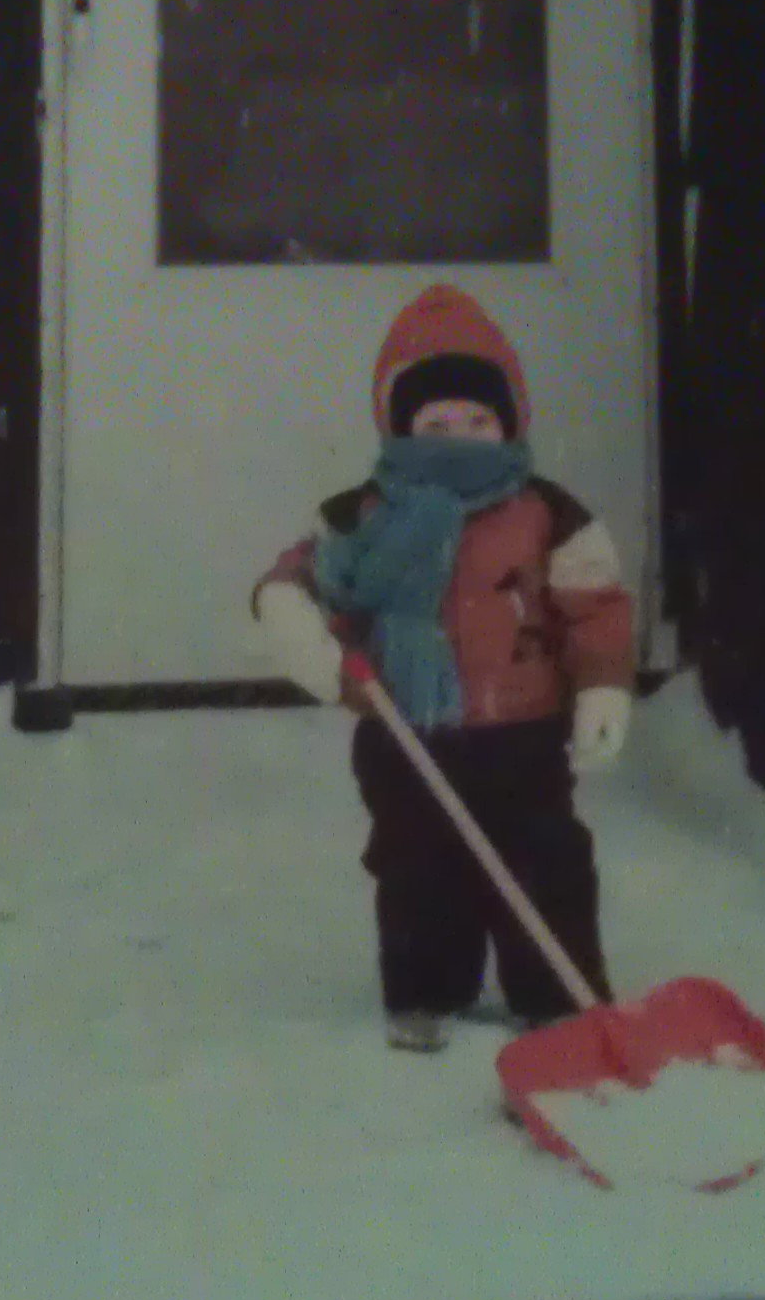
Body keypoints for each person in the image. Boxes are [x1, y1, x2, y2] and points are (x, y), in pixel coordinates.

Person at [252, 285, 636, 1055]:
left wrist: (601, 686)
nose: (458, 439)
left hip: (524, 731)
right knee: (418, 865)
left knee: (542, 860)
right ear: (399, 429)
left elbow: (594, 606)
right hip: (406, 729)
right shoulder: (361, 515)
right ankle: (427, 990)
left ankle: (556, 996)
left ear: (508, 422)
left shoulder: (546, 513)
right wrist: (293, 619)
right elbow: (300, 576)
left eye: (476, 422)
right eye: (435, 425)